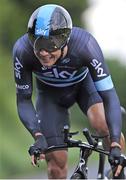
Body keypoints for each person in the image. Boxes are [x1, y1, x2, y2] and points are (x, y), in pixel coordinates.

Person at [12, 4, 125, 179]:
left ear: (65, 40)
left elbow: (109, 96)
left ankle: (119, 172)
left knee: (101, 121)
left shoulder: (85, 45)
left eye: (50, 45)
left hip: (84, 87)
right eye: (37, 43)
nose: (43, 52)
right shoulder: (22, 51)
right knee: (56, 165)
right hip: (50, 96)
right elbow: (23, 99)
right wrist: (38, 134)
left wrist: (116, 144)